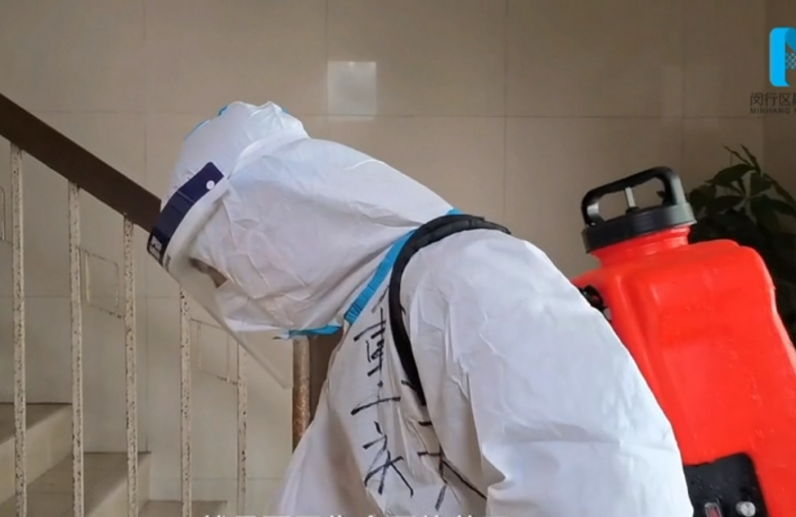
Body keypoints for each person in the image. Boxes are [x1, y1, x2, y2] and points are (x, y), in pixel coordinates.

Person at [147, 101, 693, 516]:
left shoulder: (470, 273)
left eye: (227, 266)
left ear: (274, 213)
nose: (237, 289)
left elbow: (609, 483)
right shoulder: (370, 329)